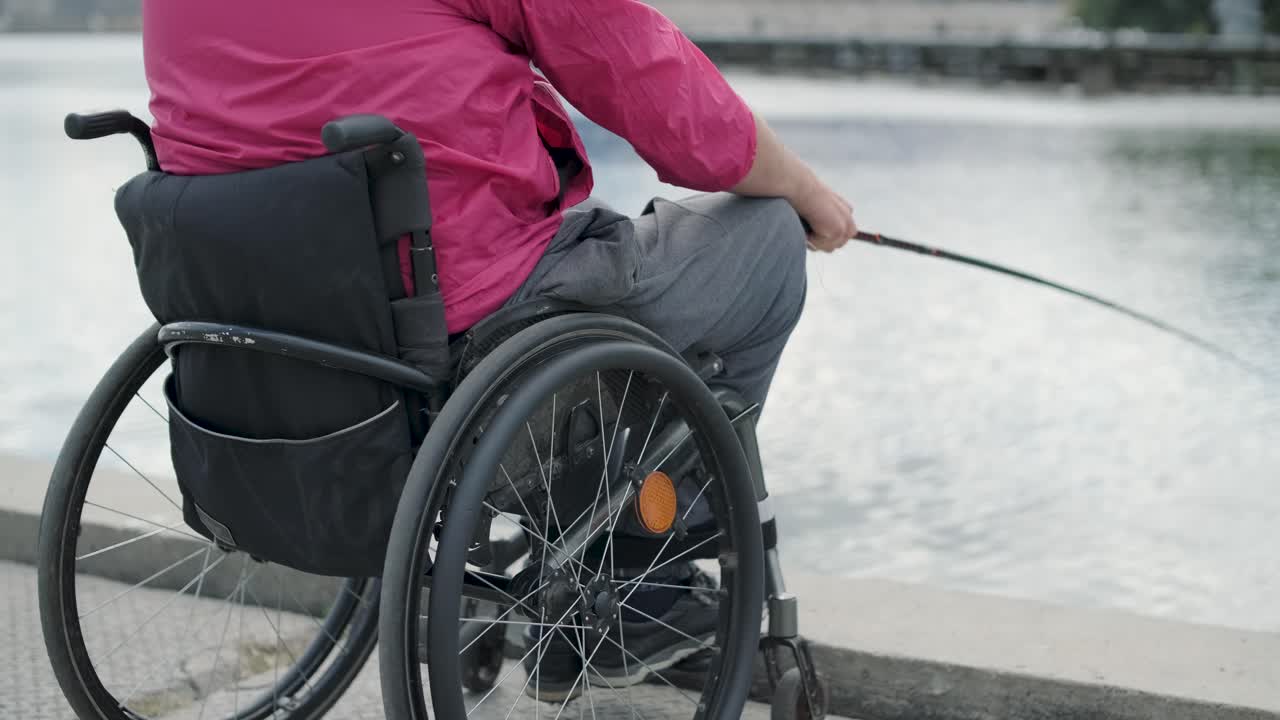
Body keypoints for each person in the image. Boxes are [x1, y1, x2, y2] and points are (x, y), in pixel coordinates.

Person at [142, 0, 856, 699]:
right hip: (461, 351)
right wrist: (804, 191)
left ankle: (589, 551)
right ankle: (645, 576)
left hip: (267, 346)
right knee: (765, 237)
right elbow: (641, 69)